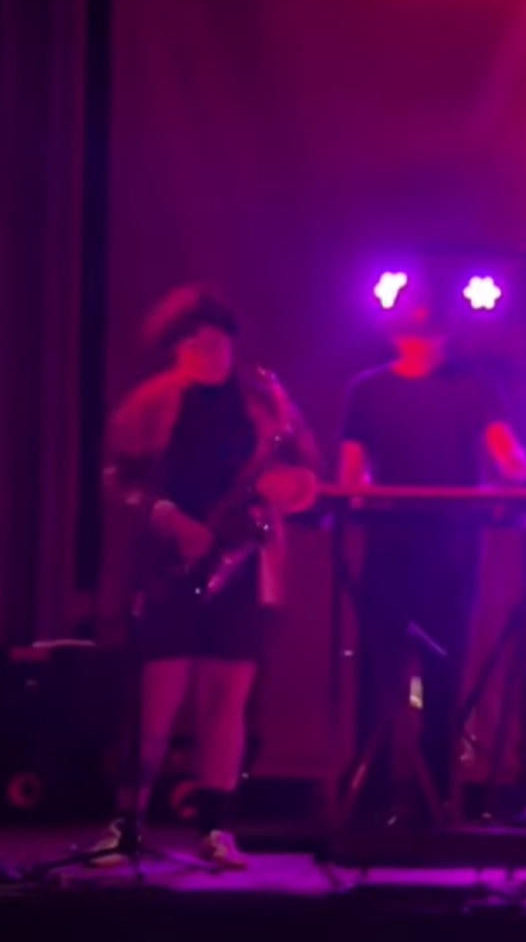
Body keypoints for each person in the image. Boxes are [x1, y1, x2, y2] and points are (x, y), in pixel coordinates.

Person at [96, 284, 318, 868]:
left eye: (220, 342)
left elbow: (306, 473)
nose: (212, 353)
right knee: (155, 703)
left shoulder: (264, 403)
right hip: (168, 566)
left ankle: (217, 827)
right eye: (198, 343)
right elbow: (119, 479)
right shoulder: (151, 402)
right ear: (178, 347)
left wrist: (287, 488)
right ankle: (127, 824)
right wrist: (168, 517)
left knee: (227, 700)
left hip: (241, 567)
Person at [337, 277, 526, 824]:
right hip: (392, 546)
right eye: (413, 333)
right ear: (394, 334)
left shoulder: (474, 387)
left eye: (431, 334)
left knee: (443, 669)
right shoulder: (368, 390)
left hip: (452, 547)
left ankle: (436, 803)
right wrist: (352, 494)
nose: (423, 343)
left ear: (446, 337)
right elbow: (350, 472)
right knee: (380, 672)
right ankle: (371, 801)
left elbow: (507, 457)